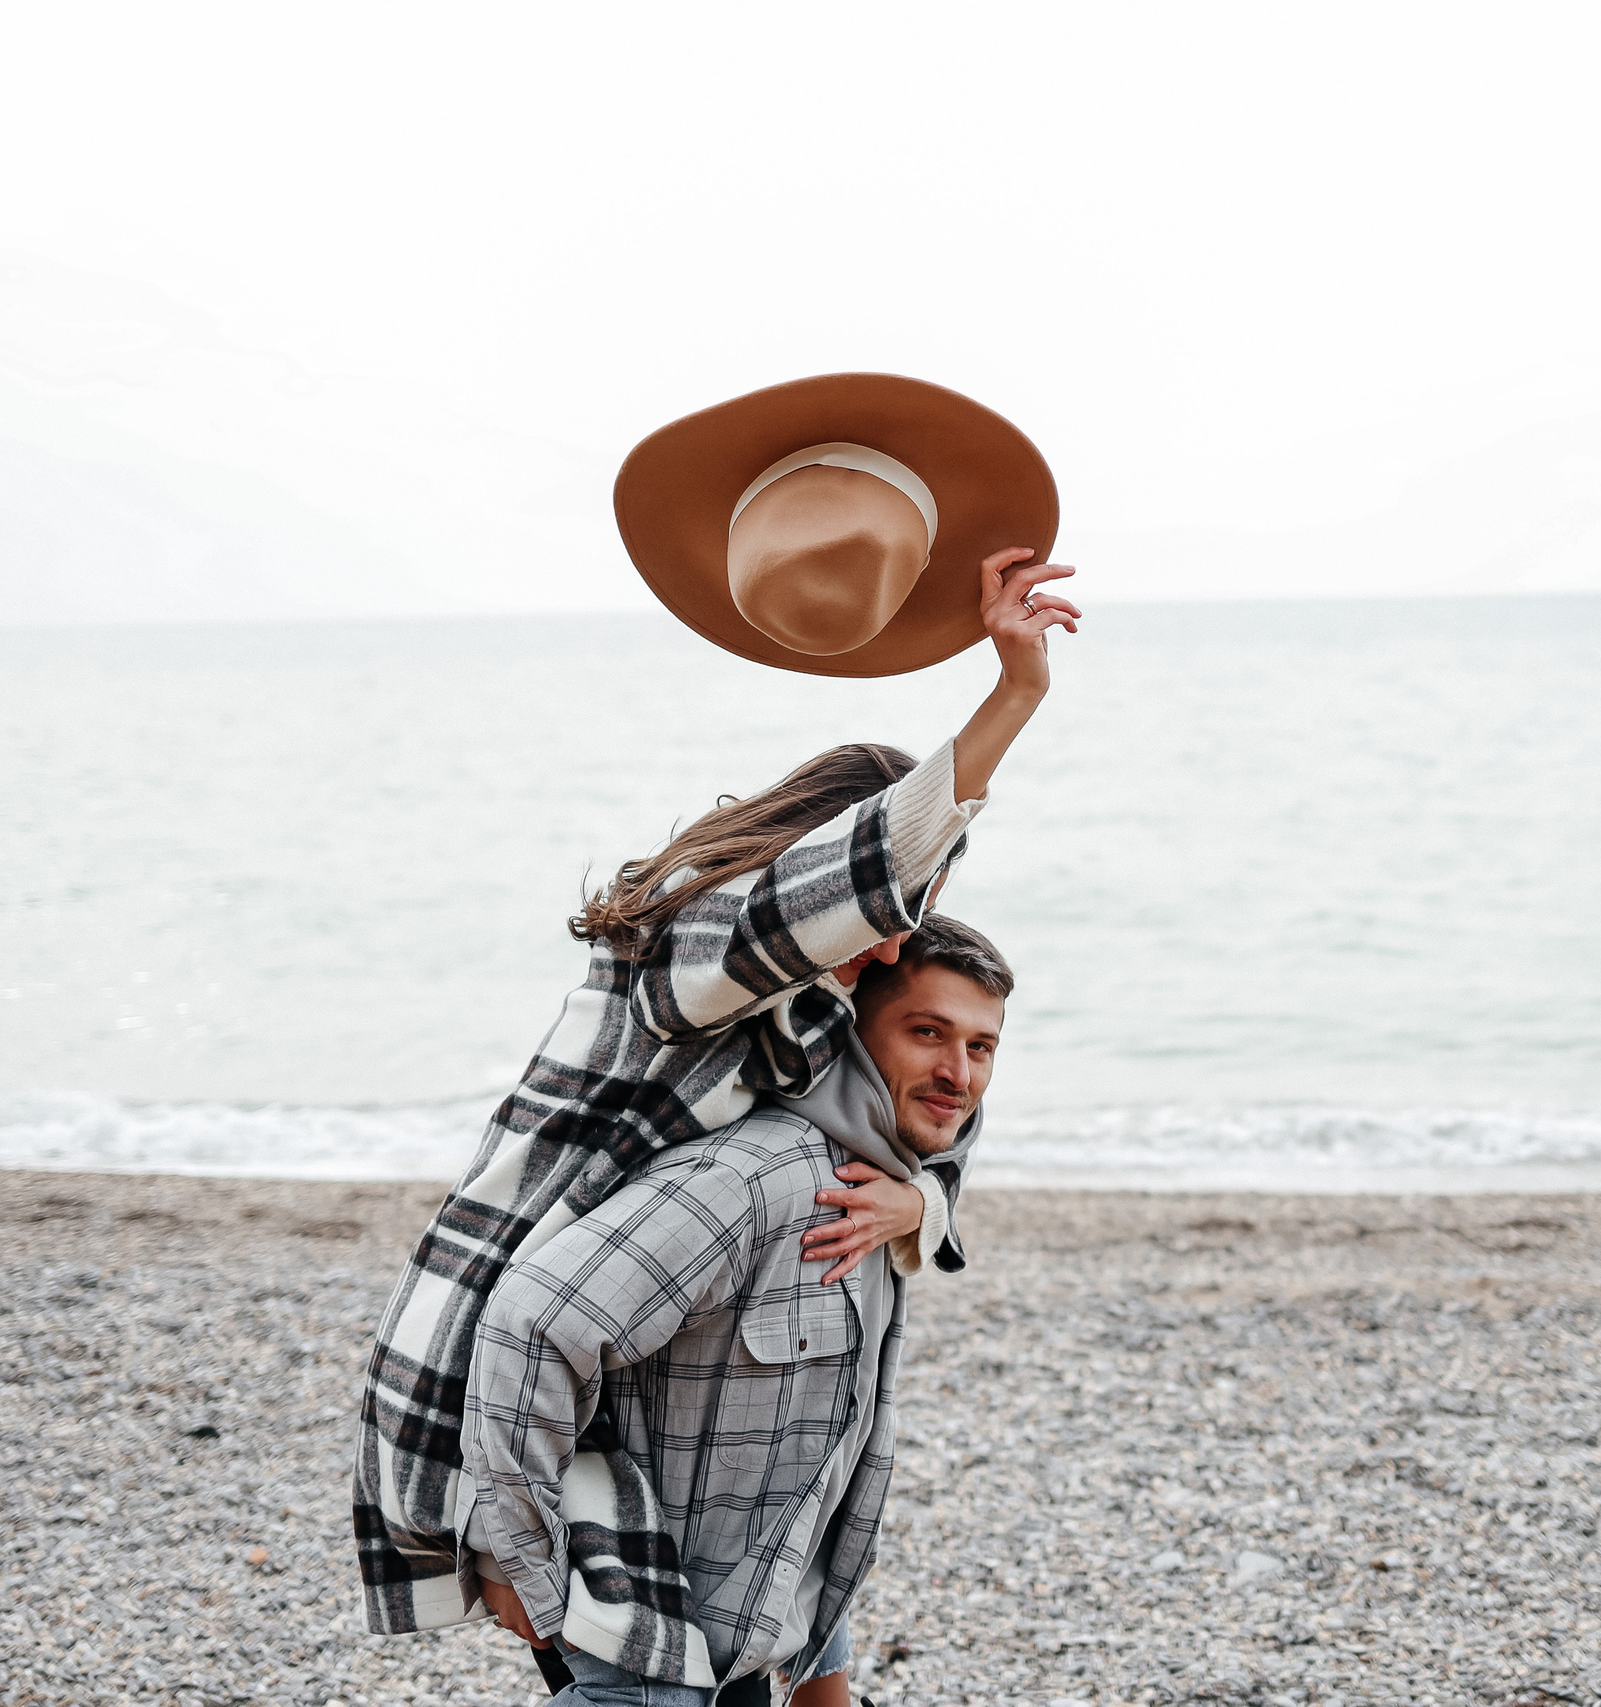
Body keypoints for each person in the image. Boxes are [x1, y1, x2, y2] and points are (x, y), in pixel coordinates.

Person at [354, 370, 1080, 1648]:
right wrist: (1010, 694)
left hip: (608, 1359)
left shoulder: (798, 1011)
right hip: (490, 1364)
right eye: (892, 904)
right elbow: (858, 880)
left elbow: (923, 1114)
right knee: (621, 1663)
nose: (900, 934)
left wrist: (929, 1206)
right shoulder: (696, 953)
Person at [466, 915, 1016, 1704]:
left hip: (749, 1633)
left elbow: (810, 1473)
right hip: (649, 1631)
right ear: (851, 1031)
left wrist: (925, 1204)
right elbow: (530, 1320)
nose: (957, 1073)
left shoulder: (885, 1181)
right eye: (927, 1032)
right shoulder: (759, 1178)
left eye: (980, 1046)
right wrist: (514, 1556)